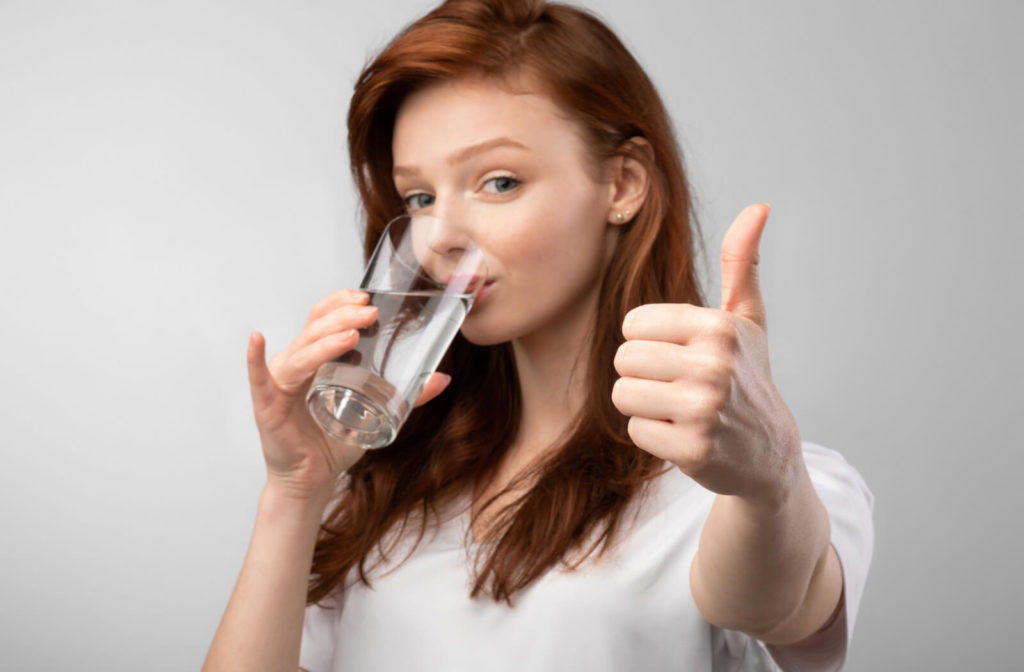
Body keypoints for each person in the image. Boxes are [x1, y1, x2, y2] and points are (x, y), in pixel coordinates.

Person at [203, 0, 874, 670]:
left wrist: (770, 480)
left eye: (498, 182)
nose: (440, 237)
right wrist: (294, 493)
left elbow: (773, 603)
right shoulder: (378, 488)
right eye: (419, 198)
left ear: (623, 182)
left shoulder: (775, 487)